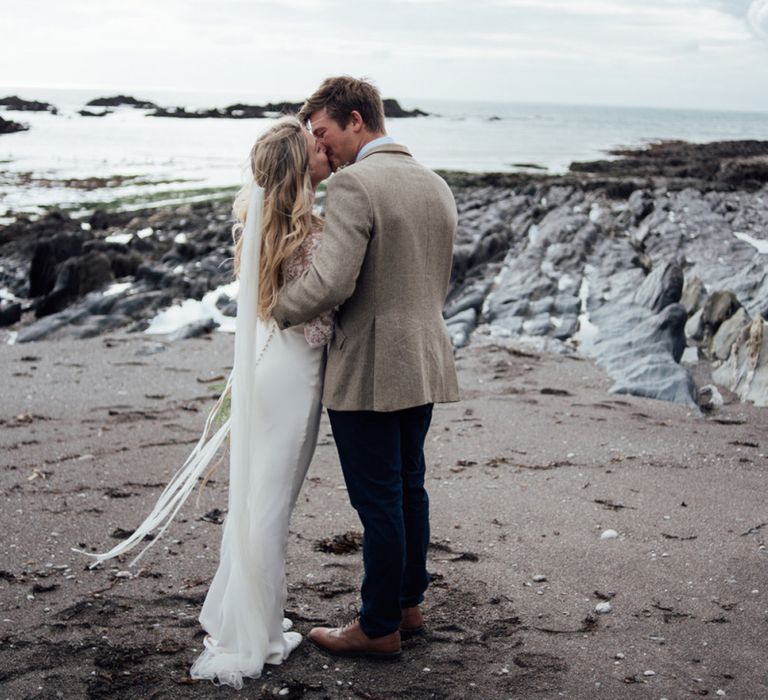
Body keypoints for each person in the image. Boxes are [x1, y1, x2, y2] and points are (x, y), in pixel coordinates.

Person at [76, 116, 333, 689]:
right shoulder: (311, 232)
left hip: (265, 371)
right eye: (314, 146)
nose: (323, 150)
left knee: (257, 500)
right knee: (270, 506)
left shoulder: (259, 220)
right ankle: (254, 636)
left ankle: (255, 620)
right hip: (292, 377)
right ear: (298, 166)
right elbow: (316, 326)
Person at [272, 76, 460, 659]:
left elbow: (332, 282)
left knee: (377, 499)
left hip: (370, 367)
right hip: (425, 357)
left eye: (325, 133)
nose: (322, 149)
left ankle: (377, 626)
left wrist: (272, 309)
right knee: (409, 487)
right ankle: (408, 605)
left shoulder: (356, 184)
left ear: (357, 120)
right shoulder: (435, 184)